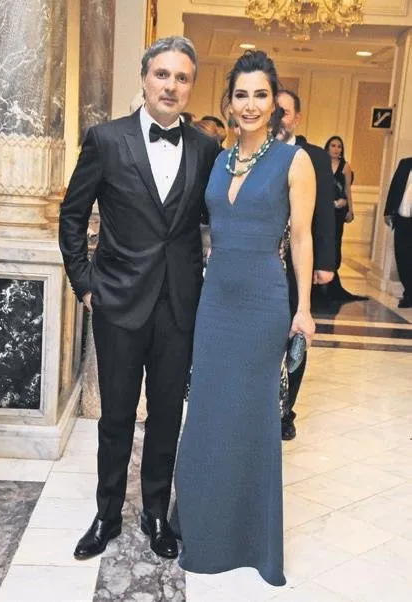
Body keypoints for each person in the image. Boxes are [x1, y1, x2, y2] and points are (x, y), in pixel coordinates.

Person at [59, 36, 219, 561]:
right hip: (118, 302)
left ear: (191, 86)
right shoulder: (106, 140)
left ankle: (154, 513)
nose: (171, 85)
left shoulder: (205, 149)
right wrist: (85, 284)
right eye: (162, 74)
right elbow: (72, 216)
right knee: (116, 416)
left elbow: (217, 220)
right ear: (145, 78)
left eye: (182, 77)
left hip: (179, 305)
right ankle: (107, 514)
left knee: (168, 415)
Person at [174, 50, 316, 586]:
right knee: (208, 414)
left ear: (274, 102)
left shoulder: (294, 161)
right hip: (215, 302)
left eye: (261, 94)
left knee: (251, 420)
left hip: (261, 304)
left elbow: (301, 238)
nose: (251, 104)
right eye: (241, 94)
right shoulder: (218, 159)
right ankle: (202, 525)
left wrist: (304, 309)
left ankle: (252, 541)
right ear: (229, 102)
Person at [276, 90, 335, 440]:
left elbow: (324, 211)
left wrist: (325, 262)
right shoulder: (256, 152)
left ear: (297, 118)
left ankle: (286, 410)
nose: (277, 118)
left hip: (297, 260)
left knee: (295, 333)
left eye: (284, 112)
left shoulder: (313, 157)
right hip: (264, 261)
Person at [324, 135, 368, 301]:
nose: (336, 149)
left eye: (339, 146)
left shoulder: (345, 166)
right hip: (323, 210)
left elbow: (348, 189)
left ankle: (333, 280)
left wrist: (350, 209)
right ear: (327, 147)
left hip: (338, 211)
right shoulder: (321, 164)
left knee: (335, 242)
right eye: (333, 145)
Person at [384, 157, 412, 308]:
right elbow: (394, 186)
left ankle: (409, 295)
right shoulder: (405, 163)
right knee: (401, 255)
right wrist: (388, 211)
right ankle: (409, 290)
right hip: (402, 218)